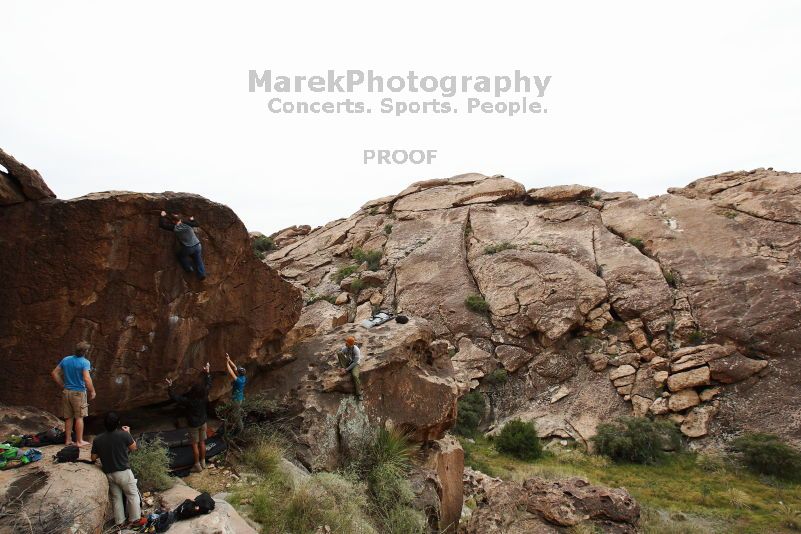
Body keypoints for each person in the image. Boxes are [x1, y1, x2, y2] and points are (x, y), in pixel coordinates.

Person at [90, 412, 146, 529]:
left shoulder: (98, 439)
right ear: (118, 424)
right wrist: (128, 434)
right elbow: (134, 448)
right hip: (123, 471)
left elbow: (93, 458)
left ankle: (120, 522)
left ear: (104, 424)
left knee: (116, 498)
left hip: (109, 473)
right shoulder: (123, 435)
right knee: (132, 494)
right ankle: (135, 520)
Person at [166, 363, 211, 473]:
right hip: (203, 421)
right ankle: (203, 462)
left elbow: (175, 398)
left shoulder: (189, 401)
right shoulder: (204, 395)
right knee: (202, 442)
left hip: (193, 424)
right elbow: (209, 384)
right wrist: (207, 372)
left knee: (194, 444)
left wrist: (170, 386)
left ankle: (197, 465)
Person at [50, 341, 96, 447]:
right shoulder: (85, 362)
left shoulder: (66, 359)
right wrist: (92, 391)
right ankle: (79, 441)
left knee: (68, 417)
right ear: (85, 351)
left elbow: (54, 373)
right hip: (78, 393)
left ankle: (68, 440)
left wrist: (62, 384)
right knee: (79, 417)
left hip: (66, 392)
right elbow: (86, 378)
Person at [159, 210, 206, 280]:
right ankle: (202, 274)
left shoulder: (174, 228)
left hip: (188, 248)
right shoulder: (187, 223)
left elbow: (163, 225)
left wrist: (162, 216)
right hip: (197, 245)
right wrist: (192, 220)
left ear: (173, 222)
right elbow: (197, 224)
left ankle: (188, 268)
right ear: (180, 219)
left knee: (180, 256)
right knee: (198, 259)